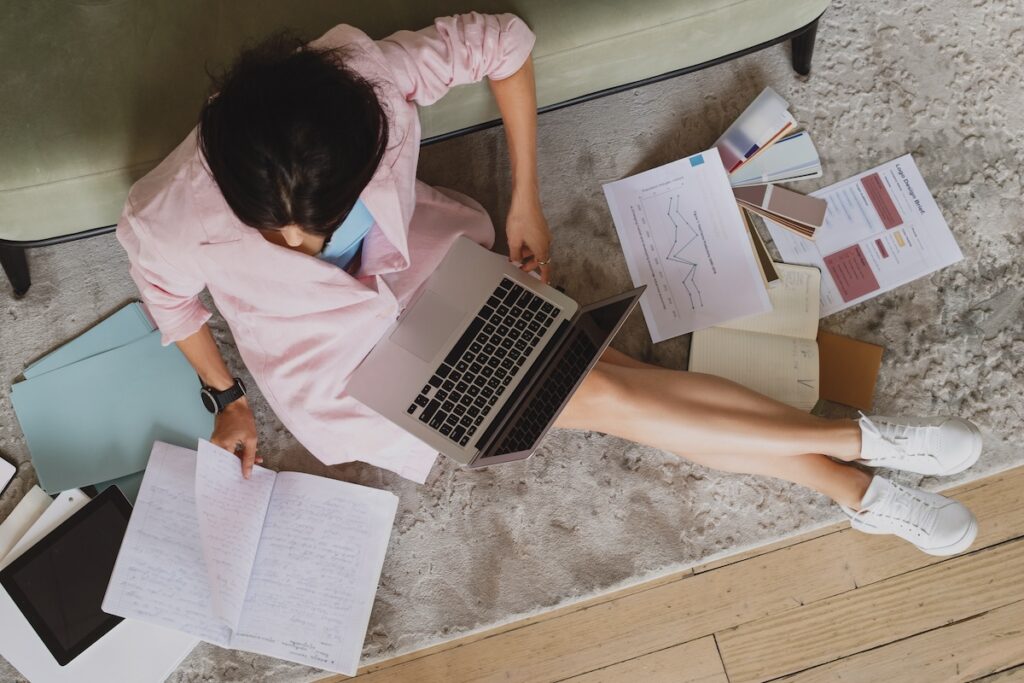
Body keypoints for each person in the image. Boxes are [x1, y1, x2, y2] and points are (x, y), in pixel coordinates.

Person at [117, 12, 982, 557]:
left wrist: (526, 198)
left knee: (614, 387)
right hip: (354, 380)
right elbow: (171, 299)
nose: (304, 247)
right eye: (280, 238)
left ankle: (860, 482)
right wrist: (226, 395)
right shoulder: (163, 215)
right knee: (607, 391)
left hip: (445, 278)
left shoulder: (364, 75)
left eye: (323, 221)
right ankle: (858, 454)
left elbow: (507, 42)